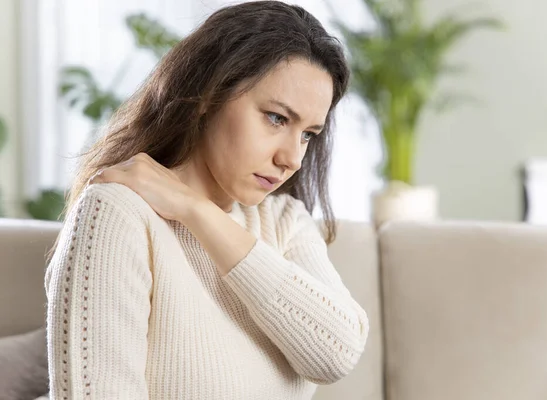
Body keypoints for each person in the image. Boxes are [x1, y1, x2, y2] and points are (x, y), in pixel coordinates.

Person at [44, 1, 369, 399]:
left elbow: (335, 354)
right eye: (276, 118)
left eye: (308, 134)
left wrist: (195, 211)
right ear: (207, 96)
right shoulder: (117, 213)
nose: (292, 158)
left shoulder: (283, 220)